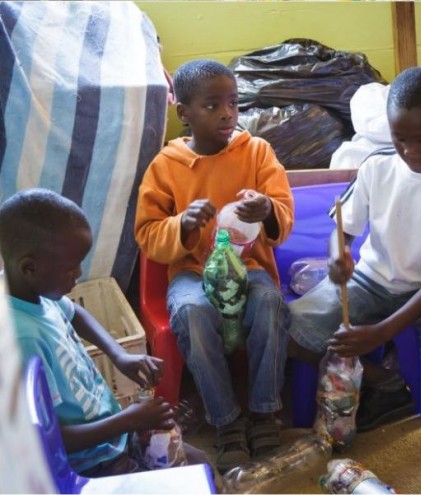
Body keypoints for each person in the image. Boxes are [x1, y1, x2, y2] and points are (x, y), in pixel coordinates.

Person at [289, 67, 421, 494]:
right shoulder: (376, 166)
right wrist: (337, 255)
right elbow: (341, 230)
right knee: (287, 327)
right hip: (370, 281)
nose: (411, 150)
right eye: (400, 138)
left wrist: (381, 332)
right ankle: (382, 381)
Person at [134, 59, 294, 473]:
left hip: (249, 265)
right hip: (190, 271)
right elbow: (148, 233)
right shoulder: (165, 166)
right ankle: (225, 421)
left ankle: (263, 411)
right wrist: (182, 224)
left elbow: (283, 215)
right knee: (191, 311)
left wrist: (266, 210)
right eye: (211, 105)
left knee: (269, 304)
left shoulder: (257, 152)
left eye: (233, 103)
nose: (226, 113)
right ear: (183, 113)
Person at [0, 188, 209, 477]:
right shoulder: (19, 341)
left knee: (203, 464)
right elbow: (47, 440)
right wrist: (127, 421)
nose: (79, 273)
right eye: (72, 268)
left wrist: (120, 356)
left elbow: (77, 314)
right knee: (189, 477)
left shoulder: (36, 291)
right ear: (30, 267)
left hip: (113, 437)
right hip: (91, 463)